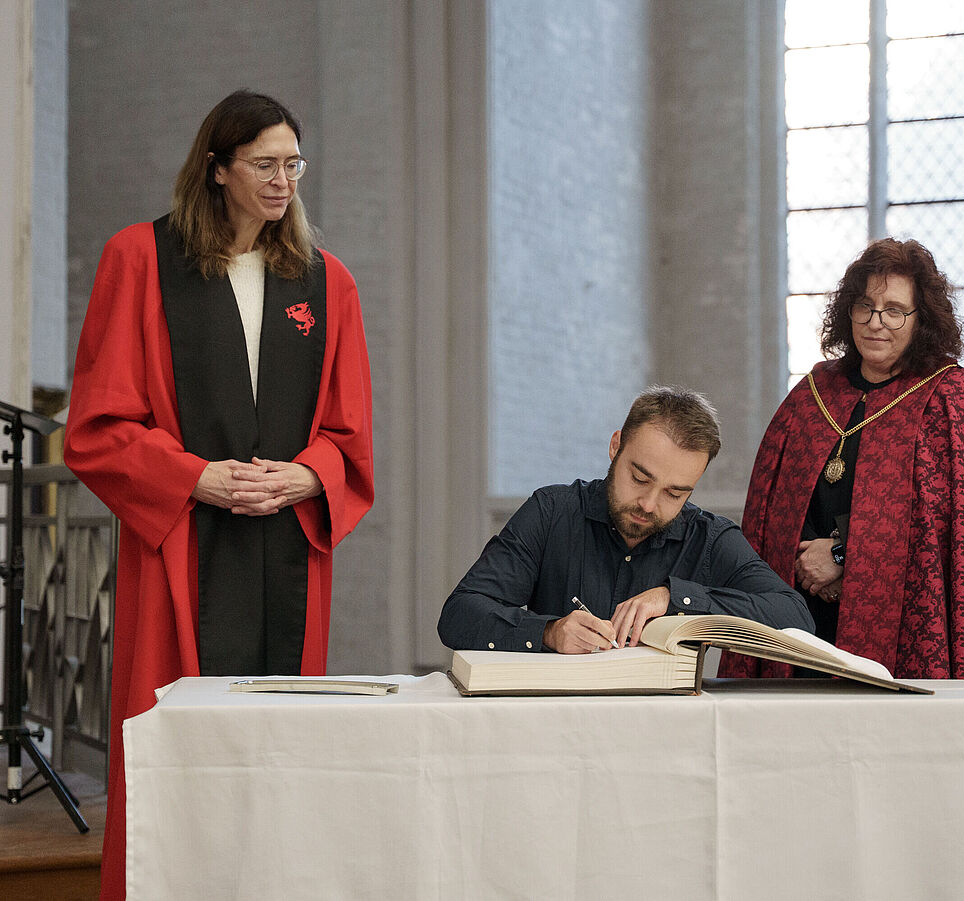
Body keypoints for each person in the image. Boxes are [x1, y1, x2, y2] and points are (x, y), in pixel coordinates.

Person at [64, 90, 374, 900]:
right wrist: (191, 475)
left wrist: (307, 475)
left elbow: (348, 439)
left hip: (285, 555)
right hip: (182, 550)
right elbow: (96, 426)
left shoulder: (325, 280)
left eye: (293, 165)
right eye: (265, 165)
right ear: (218, 168)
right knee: (179, 757)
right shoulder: (140, 258)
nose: (283, 182)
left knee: (279, 758)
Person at [720, 238, 964, 685]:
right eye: (865, 306)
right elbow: (773, 510)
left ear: (922, 320)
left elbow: (950, 531)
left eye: (895, 310)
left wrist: (845, 556)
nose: (876, 322)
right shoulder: (812, 394)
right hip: (806, 617)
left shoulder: (952, 398)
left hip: (914, 629)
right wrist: (810, 564)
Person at [438, 386, 814, 654]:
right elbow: (459, 615)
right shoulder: (551, 512)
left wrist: (676, 597)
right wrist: (549, 632)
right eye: (640, 478)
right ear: (616, 446)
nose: (649, 504)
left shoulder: (709, 538)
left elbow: (795, 617)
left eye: (675, 493)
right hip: (555, 722)